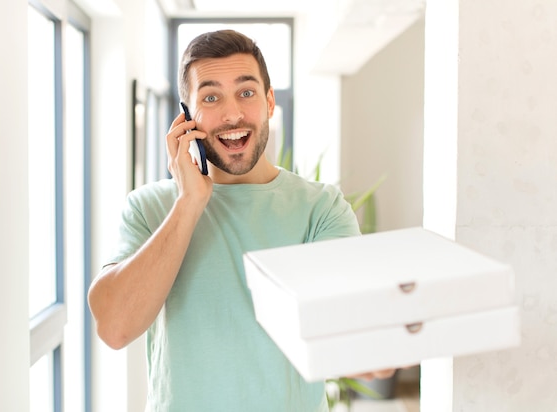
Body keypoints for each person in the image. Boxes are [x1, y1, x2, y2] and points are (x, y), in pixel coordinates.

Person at [88, 29, 394, 412]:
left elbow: (362, 336)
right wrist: (188, 203)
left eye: (246, 92)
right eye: (211, 97)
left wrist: (376, 341)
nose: (232, 113)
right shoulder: (149, 208)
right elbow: (115, 328)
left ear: (269, 102)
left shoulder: (321, 208)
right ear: (186, 118)